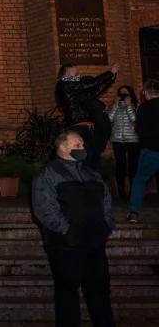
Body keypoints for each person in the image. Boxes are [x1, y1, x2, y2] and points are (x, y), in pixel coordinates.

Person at [32, 130, 116, 327]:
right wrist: (67, 230)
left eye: (82, 145)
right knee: (67, 293)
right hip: (65, 245)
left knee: (100, 293)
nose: (82, 149)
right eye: (77, 145)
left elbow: (106, 202)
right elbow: (44, 208)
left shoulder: (92, 174)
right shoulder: (49, 174)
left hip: (94, 243)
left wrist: (106, 225)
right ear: (63, 147)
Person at [56, 62, 118, 172]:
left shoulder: (74, 89)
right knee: (85, 159)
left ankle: (93, 184)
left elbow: (94, 91)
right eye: (74, 70)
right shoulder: (64, 84)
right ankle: (83, 184)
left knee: (93, 159)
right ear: (68, 71)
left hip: (87, 127)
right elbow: (89, 85)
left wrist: (111, 77)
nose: (77, 73)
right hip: (78, 127)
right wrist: (109, 73)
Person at [127, 79, 159, 224]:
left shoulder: (143, 108)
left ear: (145, 93)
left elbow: (139, 129)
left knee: (140, 180)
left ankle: (134, 213)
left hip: (150, 150)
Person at [108, 84, 140, 200]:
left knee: (133, 166)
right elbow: (108, 120)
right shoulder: (114, 106)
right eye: (121, 93)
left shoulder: (136, 106)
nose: (123, 95)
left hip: (133, 140)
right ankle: (121, 191)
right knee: (120, 165)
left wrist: (129, 106)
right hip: (117, 139)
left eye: (126, 93)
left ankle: (133, 190)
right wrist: (115, 105)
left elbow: (135, 120)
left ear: (131, 94)